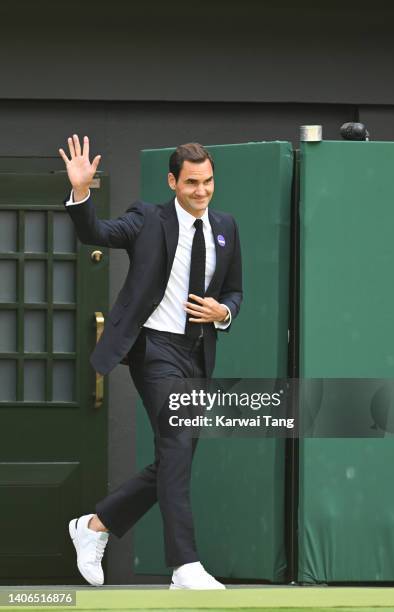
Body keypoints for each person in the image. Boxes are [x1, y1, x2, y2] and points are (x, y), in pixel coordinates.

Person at [59, 135, 243, 589]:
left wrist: (225, 313)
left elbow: (235, 289)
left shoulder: (226, 226)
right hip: (155, 350)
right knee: (177, 446)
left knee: (175, 456)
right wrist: (82, 193)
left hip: (197, 350)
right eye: (192, 183)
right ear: (173, 182)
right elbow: (95, 233)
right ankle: (184, 565)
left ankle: (94, 526)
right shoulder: (147, 218)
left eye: (208, 182)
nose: (202, 191)